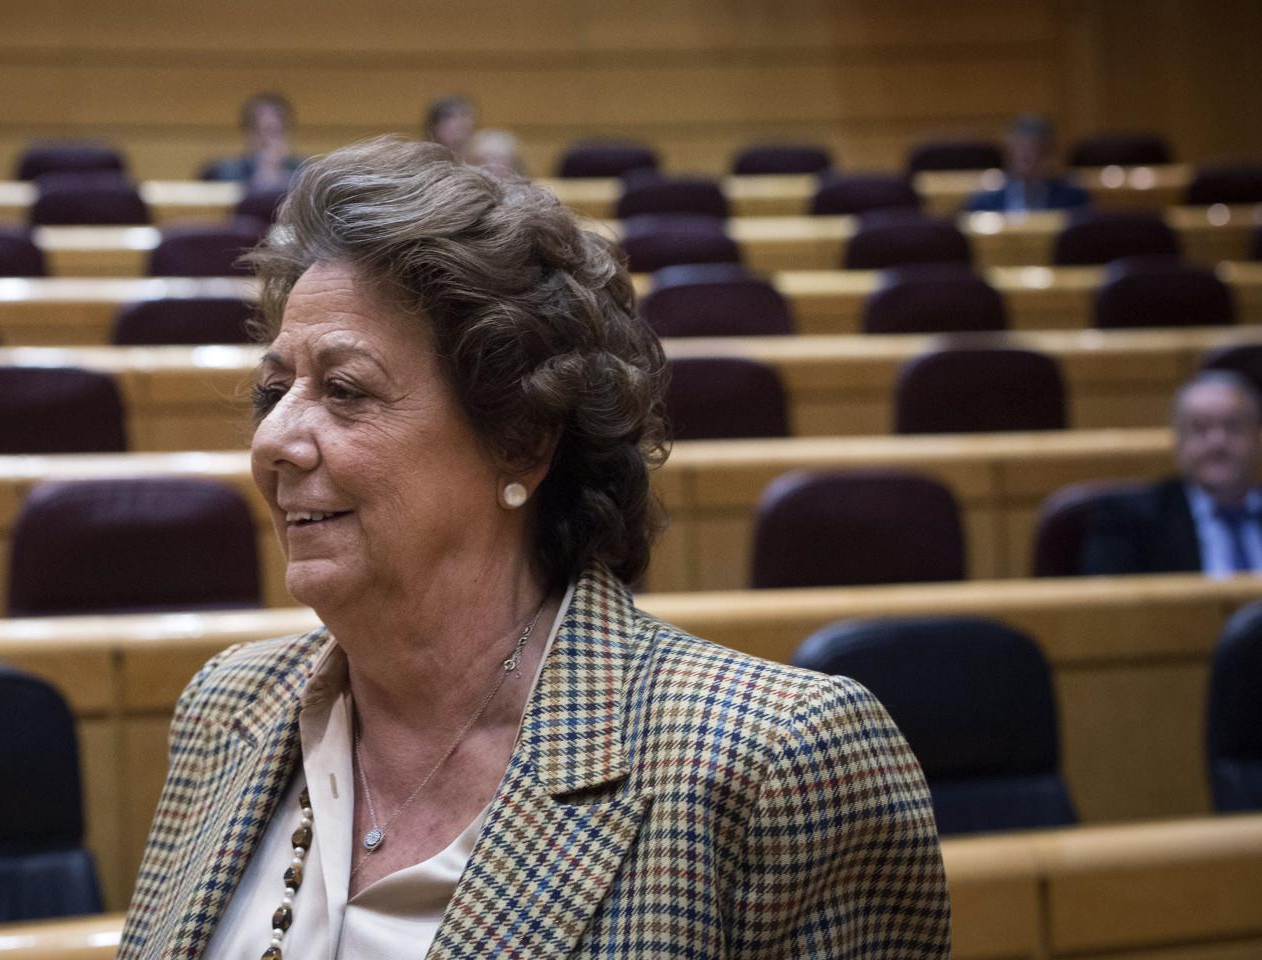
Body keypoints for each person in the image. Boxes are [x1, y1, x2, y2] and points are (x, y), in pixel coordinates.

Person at [120, 138, 950, 958]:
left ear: (521, 441)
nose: (275, 440)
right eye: (276, 390)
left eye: (344, 391)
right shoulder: (227, 711)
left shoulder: (773, 765)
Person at [1082, 371, 1262, 576]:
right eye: (1200, 428)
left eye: (1233, 427)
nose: (1217, 442)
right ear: (1179, 443)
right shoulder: (1129, 522)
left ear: (1257, 438)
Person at [968, 114, 1090, 213]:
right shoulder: (986, 200)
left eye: (1031, 154)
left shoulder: (1073, 199)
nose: (1024, 162)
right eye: (1017, 152)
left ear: (1048, 155)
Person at [201, 92, 304, 191]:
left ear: (288, 132)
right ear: (248, 134)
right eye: (261, 131)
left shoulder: (304, 172)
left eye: (275, 131)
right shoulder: (223, 172)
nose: (268, 141)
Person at [423, 95, 477, 160]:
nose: (461, 121)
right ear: (434, 127)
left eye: (465, 115)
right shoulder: (424, 160)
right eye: (449, 116)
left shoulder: (482, 157)